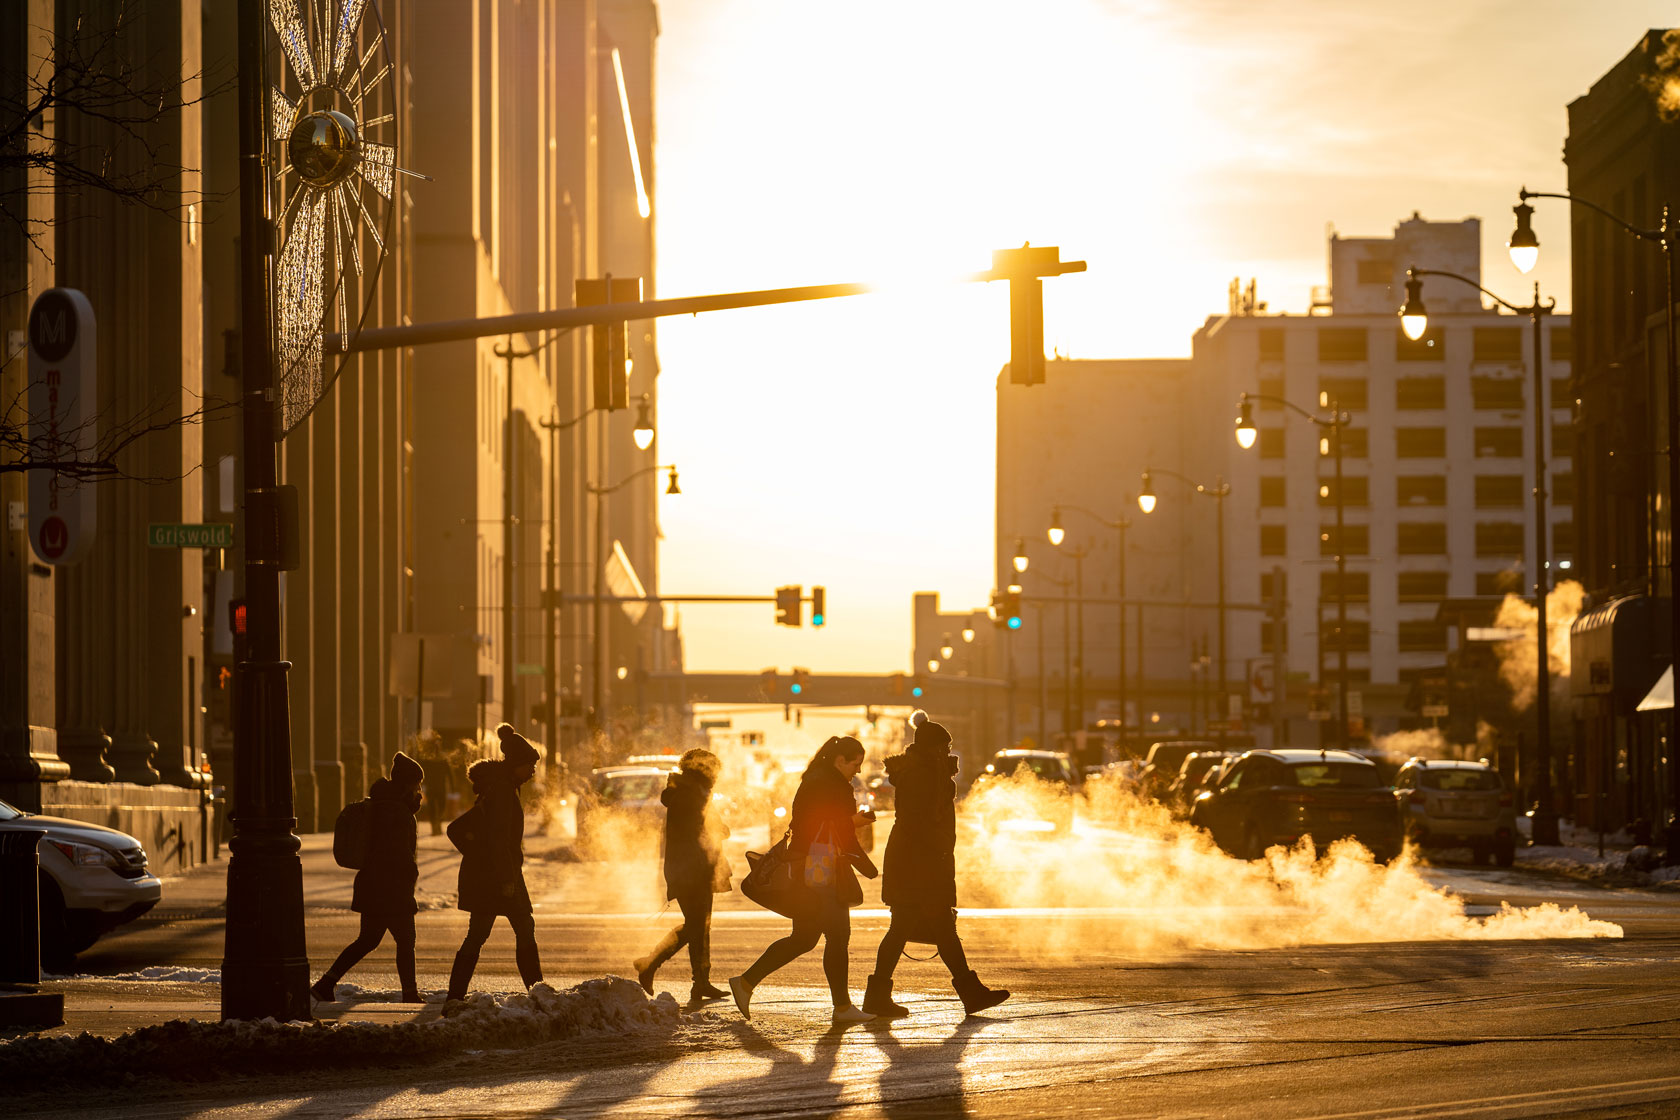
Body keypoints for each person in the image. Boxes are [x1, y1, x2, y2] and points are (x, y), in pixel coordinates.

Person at [864, 711, 1009, 1018]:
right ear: (932, 748)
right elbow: (923, 824)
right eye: (944, 747)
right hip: (921, 866)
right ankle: (969, 993)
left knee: (912, 929)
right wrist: (940, 853)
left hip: (915, 863)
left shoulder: (926, 772)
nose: (948, 752)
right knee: (934, 928)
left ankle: (879, 996)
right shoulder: (925, 775)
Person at [730, 735, 877, 1024]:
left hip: (808, 866)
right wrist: (862, 842)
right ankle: (843, 1008)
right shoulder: (834, 785)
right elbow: (836, 830)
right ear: (840, 761)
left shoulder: (815, 779)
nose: (857, 771)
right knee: (837, 935)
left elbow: (814, 823)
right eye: (855, 764)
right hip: (822, 868)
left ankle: (745, 982)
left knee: (804, 938)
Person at [311, 751, 426, 1003]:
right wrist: (410, 877)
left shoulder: (382, 805)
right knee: (406, 940)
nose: (419, 789)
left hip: (373, 885)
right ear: (407, 784)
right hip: (391, 887)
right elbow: (399, 854)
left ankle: (325, 983)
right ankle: (410, 994)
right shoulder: (397, 813)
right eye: (417, 784)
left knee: (368, 940)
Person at [445, 723, 544, 1003]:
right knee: (519, 928)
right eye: (529, 765)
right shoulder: (502, 791)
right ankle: (538, 994)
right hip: (500, 875)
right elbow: (500, 840)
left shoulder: (501, 786)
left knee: (481, 934)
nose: (533, 771)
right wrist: (507, 880)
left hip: (493, 873)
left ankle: (455, 997)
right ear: (515, 764)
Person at [632, 748, 732, 1003]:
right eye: (714, 771)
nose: (717, 776)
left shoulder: (693, 792)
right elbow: (696, 833)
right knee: (696, 926)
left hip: (697, 868)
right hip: (691, 869)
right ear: (704, 771)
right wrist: (716, 830)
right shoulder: (688, 795)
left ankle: (701, 982)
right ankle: (651, 963)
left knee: (700, 926)